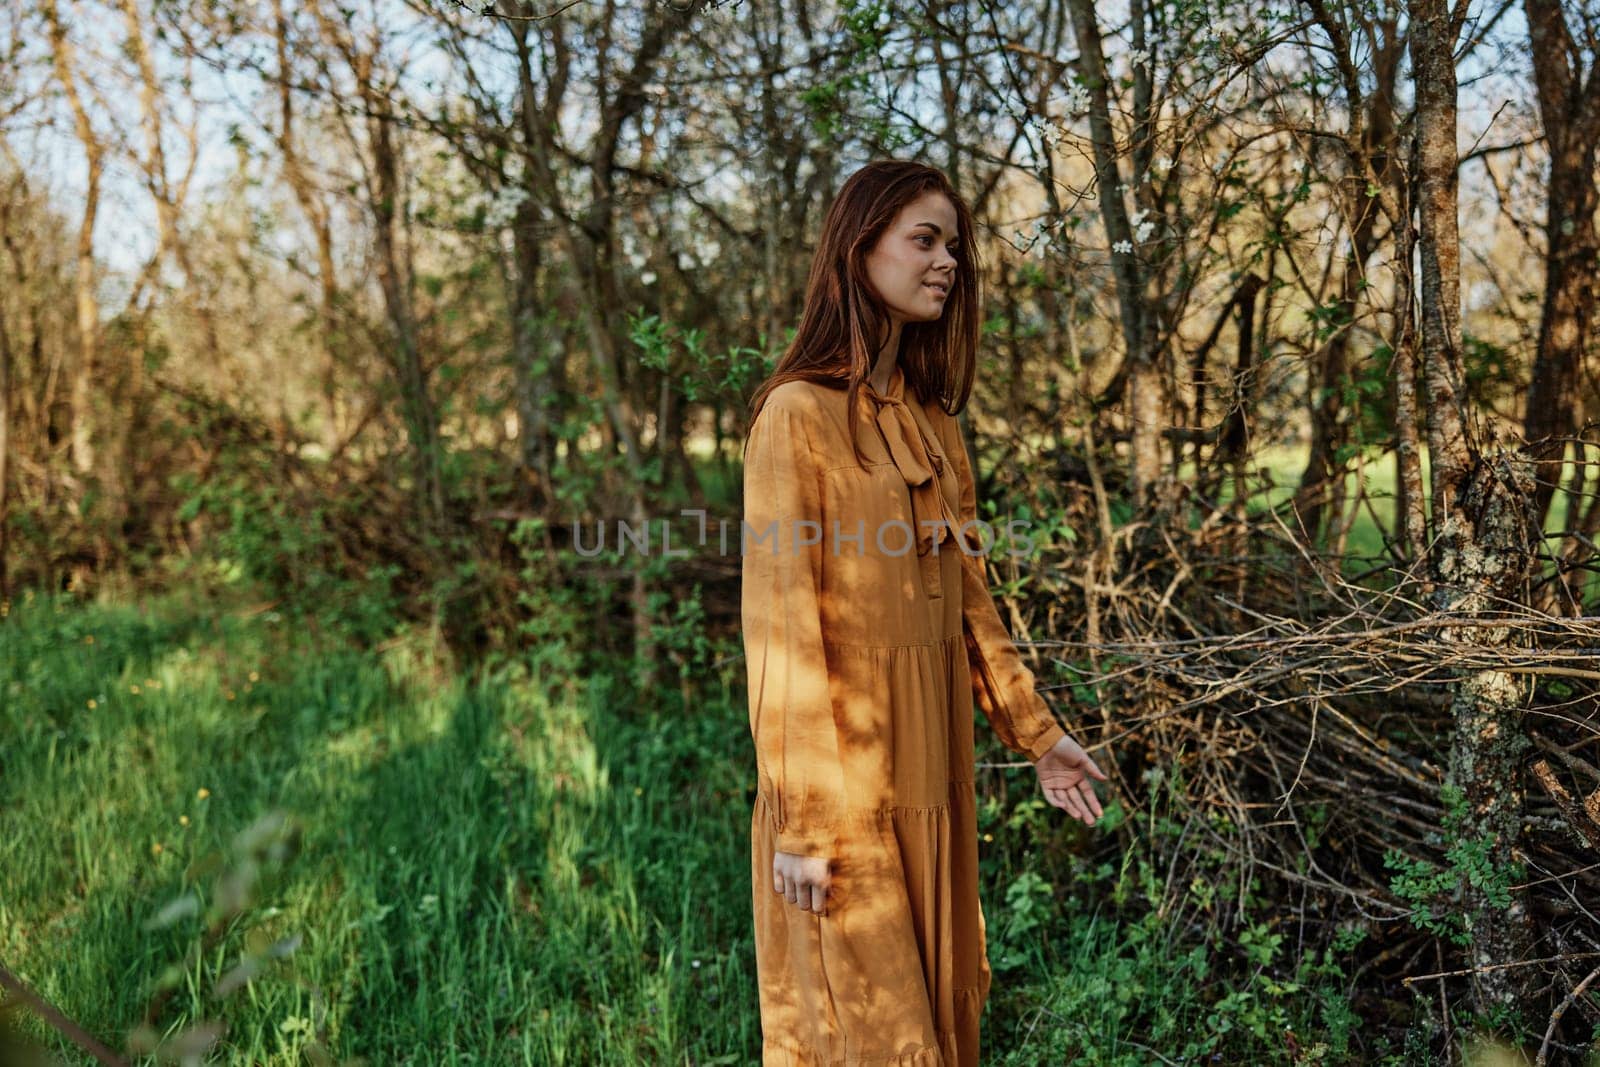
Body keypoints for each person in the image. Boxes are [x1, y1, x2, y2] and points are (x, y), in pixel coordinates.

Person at [740, 158, 1110, 1065]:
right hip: (844, 782)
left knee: (945, 1006)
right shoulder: (797, 415)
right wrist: (806, 823)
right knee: (866, 1025)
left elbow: (968, 597)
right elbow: (783, 632)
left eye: (956, 245)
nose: (949, 262)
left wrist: (1034, 731)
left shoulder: (934, 418)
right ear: (858, 248)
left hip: (932, 758)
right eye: (925, 239)